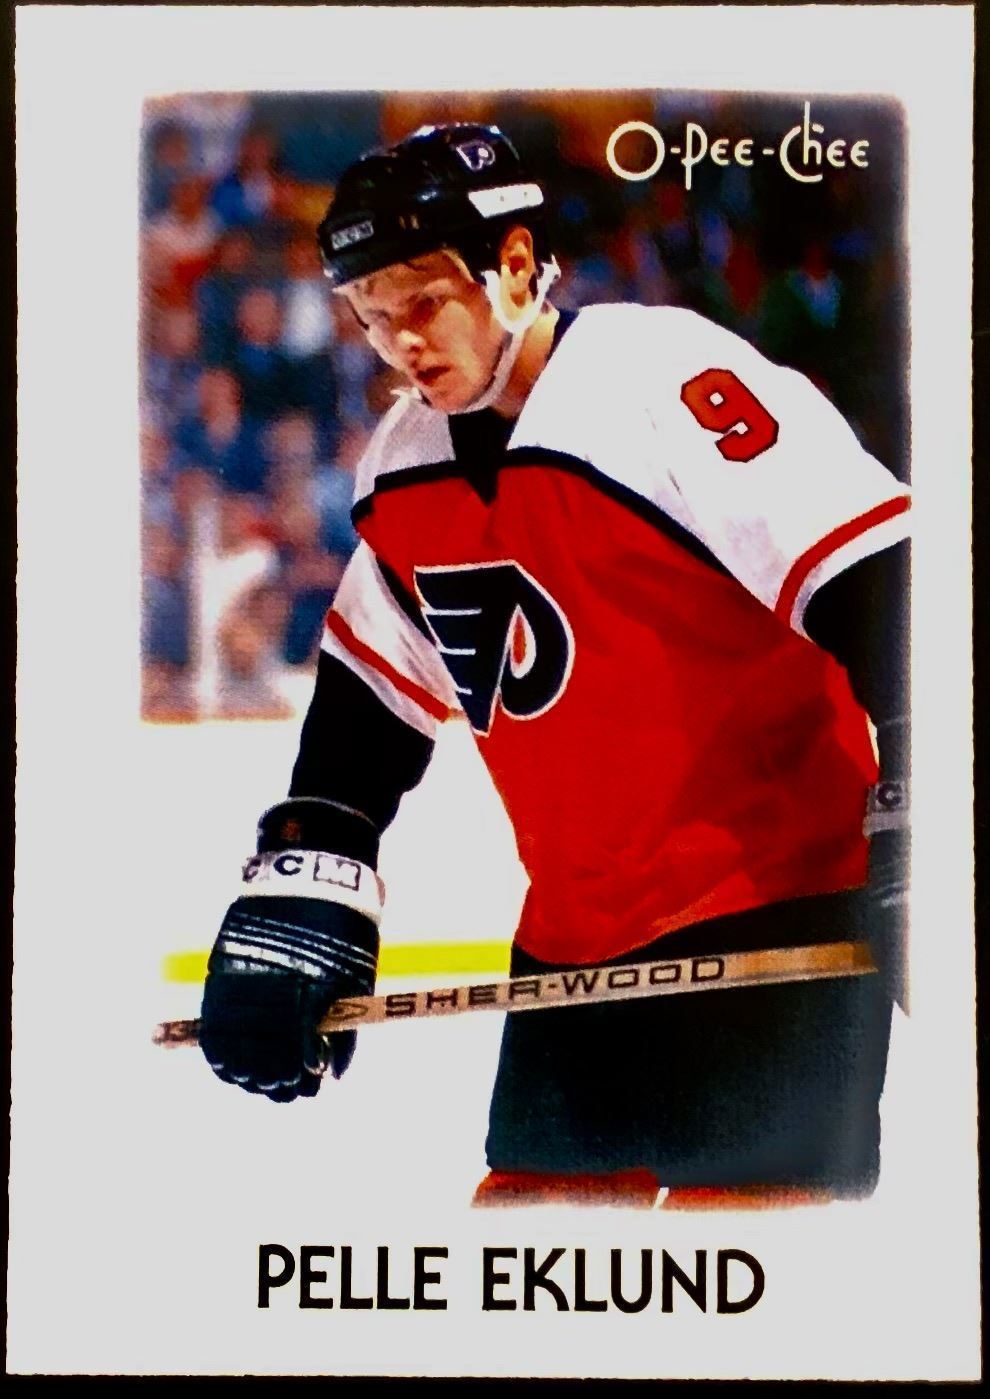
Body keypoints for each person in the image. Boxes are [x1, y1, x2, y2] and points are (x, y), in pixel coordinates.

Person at [198, 123, 910, 1207]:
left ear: (517, 265)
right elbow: (370, 696)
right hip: (575, 940)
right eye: (373, 316)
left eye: (424, 301)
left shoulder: (663, 381)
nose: (400, 343)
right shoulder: (402, 465)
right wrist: (317, 860)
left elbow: (875, 571)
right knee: (531, 1263)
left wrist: (928, 779)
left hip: (781, 903)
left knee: (742, 1268)